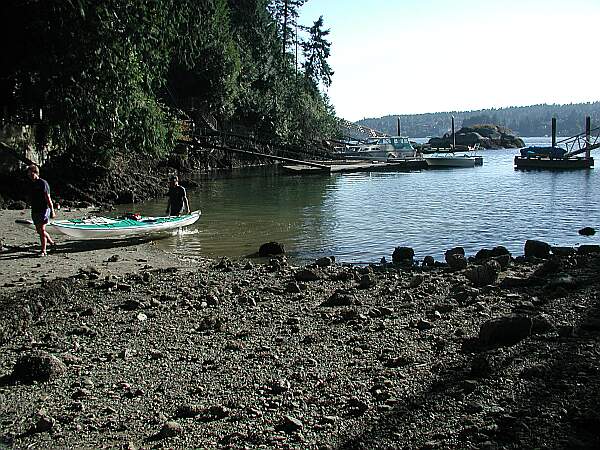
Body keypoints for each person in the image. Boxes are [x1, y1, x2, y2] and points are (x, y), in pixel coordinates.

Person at [27, 164, 56, 256]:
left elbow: (48, 198)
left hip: (44, 209)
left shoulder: (43, 183)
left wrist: (52, 210)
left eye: (31, 174)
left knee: (42, 229)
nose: (30, 176)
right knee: (39, 230)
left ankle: (43, 251)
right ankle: (51, 243)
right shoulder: (32, 184)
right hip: (35, 209)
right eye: (28, 174)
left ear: (36, 173)